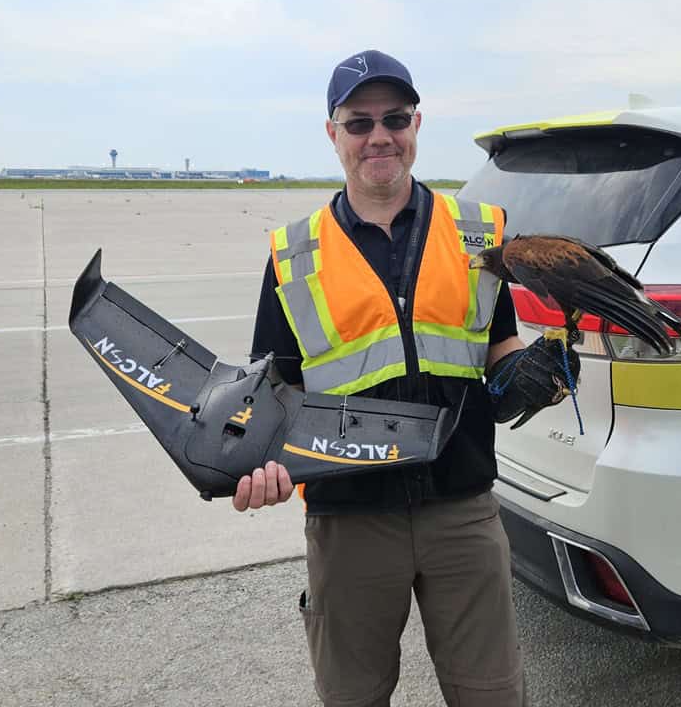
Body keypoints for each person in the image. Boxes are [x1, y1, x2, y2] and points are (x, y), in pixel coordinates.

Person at [238, 50, 577, 707]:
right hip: (350, 520)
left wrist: (528, 376)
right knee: (354, 696)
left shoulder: (479, 233)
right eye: (358, 123)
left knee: (493, 695)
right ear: (332, 133)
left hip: (463, 512)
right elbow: (273, 392)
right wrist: (259, 462)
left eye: (394, 118)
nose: (379, 136)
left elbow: (499, 351)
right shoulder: (293, 256)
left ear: (417, 124)